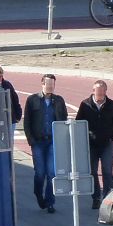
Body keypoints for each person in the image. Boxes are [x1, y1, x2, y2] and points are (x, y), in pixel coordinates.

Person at [22, 73, 68, 214]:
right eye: (47, 84)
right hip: (38, 142)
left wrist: (62, 139)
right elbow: (27, 122)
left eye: (52, 84)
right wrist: (31, 139)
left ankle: (50, 202)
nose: (50, 87)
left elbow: (64, 119)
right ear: (42, 84)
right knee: (40, 173)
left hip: (53, 141)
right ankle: (38, 193)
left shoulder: (59, 100)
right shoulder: (32, 100)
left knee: (52, 173)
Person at [77, 80, 113, 210]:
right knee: (92, 171)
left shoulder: (111, 104)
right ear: (93, 91)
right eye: (97, 91)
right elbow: (79, 123)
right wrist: (85, 138)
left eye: (102, 91)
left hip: (106, 143)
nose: (99, 94)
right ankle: (96, 198)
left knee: (107, 171)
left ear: (105, 91)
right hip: (91, 144)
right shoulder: (85, 104)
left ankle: (107, 198)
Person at [0, 65, 22, 136]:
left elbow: (15, 100)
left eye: (0, 77)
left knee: (10, 141)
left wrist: (18, 116)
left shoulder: (7, 84)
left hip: (9, 118)